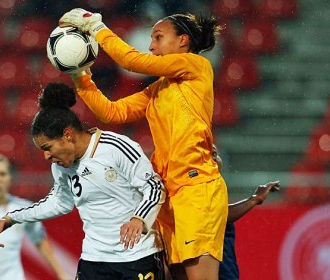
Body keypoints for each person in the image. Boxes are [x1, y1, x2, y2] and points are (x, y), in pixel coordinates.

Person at [60, 8, 228, 280]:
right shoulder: (158, 89)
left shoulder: (196, 66)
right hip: (168, 195)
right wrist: (80, 75)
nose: (151, 46)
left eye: (158, 37)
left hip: (197, 190)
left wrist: (96, 27)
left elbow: (131, 62)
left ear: (183, 41)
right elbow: (111, 113)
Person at [0, 83, 167, 280]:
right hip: (94, 259)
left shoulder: (115, 148)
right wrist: (12, 218)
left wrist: (138, 218)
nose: (47, 156)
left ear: (68, 135)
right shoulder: (60, 167)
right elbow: (59, 202)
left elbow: (153, 186)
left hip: (137, 256)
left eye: (48, 147)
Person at [211, 145, 280, 280]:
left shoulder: (216, 188)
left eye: (215, 154)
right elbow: (217, 216)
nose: (215, 160)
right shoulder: (195, 189)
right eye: (210, 156)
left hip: (225, 268)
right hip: (215, 269)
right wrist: (254, 199)